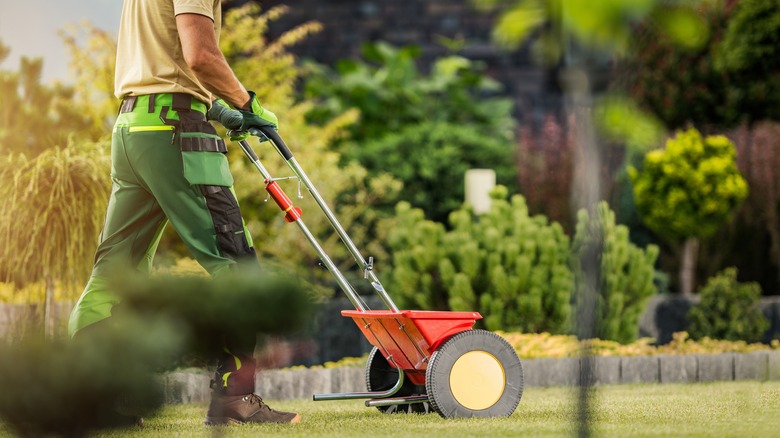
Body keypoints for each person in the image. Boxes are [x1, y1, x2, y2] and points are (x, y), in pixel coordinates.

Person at [67, 0, 300, 425]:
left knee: (115, 271)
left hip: (132, 129)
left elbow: (165, 60)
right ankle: (235, 399)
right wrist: (246, 102)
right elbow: (200, 56)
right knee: (236, 264)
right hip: (176, 129)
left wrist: (215, 107)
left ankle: (92, 396)